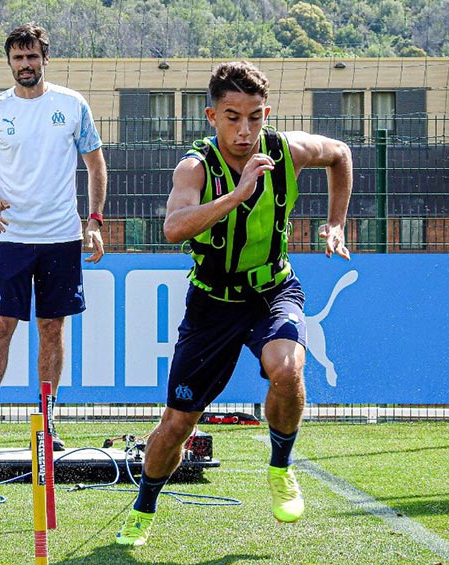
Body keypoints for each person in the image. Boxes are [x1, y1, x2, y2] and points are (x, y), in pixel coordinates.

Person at [115, 61, 352, 546]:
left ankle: (280, 467)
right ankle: (144, 505)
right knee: (177, 424)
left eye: (254, 117)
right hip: (212, 304)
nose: (245, 130)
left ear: (265, 114)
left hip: (273, 291)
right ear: (211, 116)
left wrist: (336, 223)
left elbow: (341, 154)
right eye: (232, 117)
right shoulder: (195, 167)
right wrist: (238, 195)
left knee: (287, 370)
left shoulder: (287, 151)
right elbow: (174, 227)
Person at [0, 22, 107, 455]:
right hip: (12, 240)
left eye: (32, 57)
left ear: (45, 58)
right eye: (18, 58)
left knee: (50, 327)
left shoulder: (72, 105)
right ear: (9, 62)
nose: (25, 64)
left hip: (61, 237)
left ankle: (47, 421)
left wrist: (94, 221)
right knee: (0, 326)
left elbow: (96, 167)